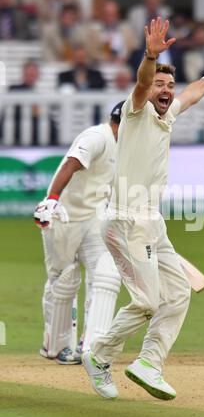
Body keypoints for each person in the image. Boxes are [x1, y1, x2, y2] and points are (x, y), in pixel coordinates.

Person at [82, 18, 204, 400]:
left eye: (169, 85)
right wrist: (150, 55)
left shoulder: (169, 115)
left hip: (152, 224)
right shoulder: (136, 111)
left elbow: (192, 94)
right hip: (123, 223)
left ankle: (149, 362)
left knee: (177, 294)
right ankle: (98, 355)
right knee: (147, 300)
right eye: (160, 85)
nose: (165, 90)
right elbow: (144, 80)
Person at [34, 102, 124, 365]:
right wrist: (52, 199)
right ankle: (56, 346)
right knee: (63, 280)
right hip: (64, 216)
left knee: (104, 276)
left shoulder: (126, 146)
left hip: (94, 217)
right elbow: (71, 164)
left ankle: (90, 344)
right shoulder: (97, 136)